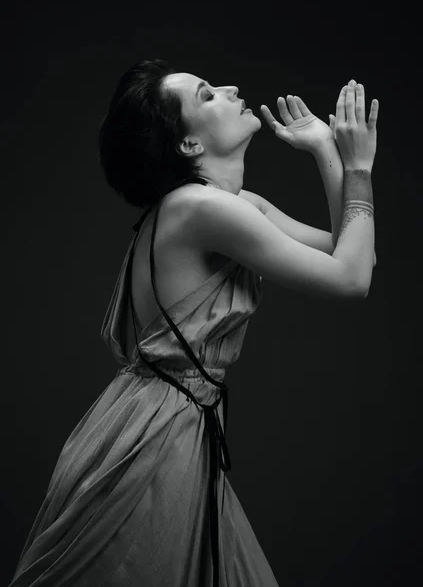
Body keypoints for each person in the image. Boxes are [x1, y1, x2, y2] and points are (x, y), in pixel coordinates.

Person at [8, 59, 378, 587]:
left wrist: (325, 150)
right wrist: (357, 166)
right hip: (156, 438)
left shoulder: (228, 206)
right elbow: (352, 278)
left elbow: (356, 258)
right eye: (207, 95)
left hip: (169, 425)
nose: (229, 87)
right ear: (188, 146)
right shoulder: (200, 208)